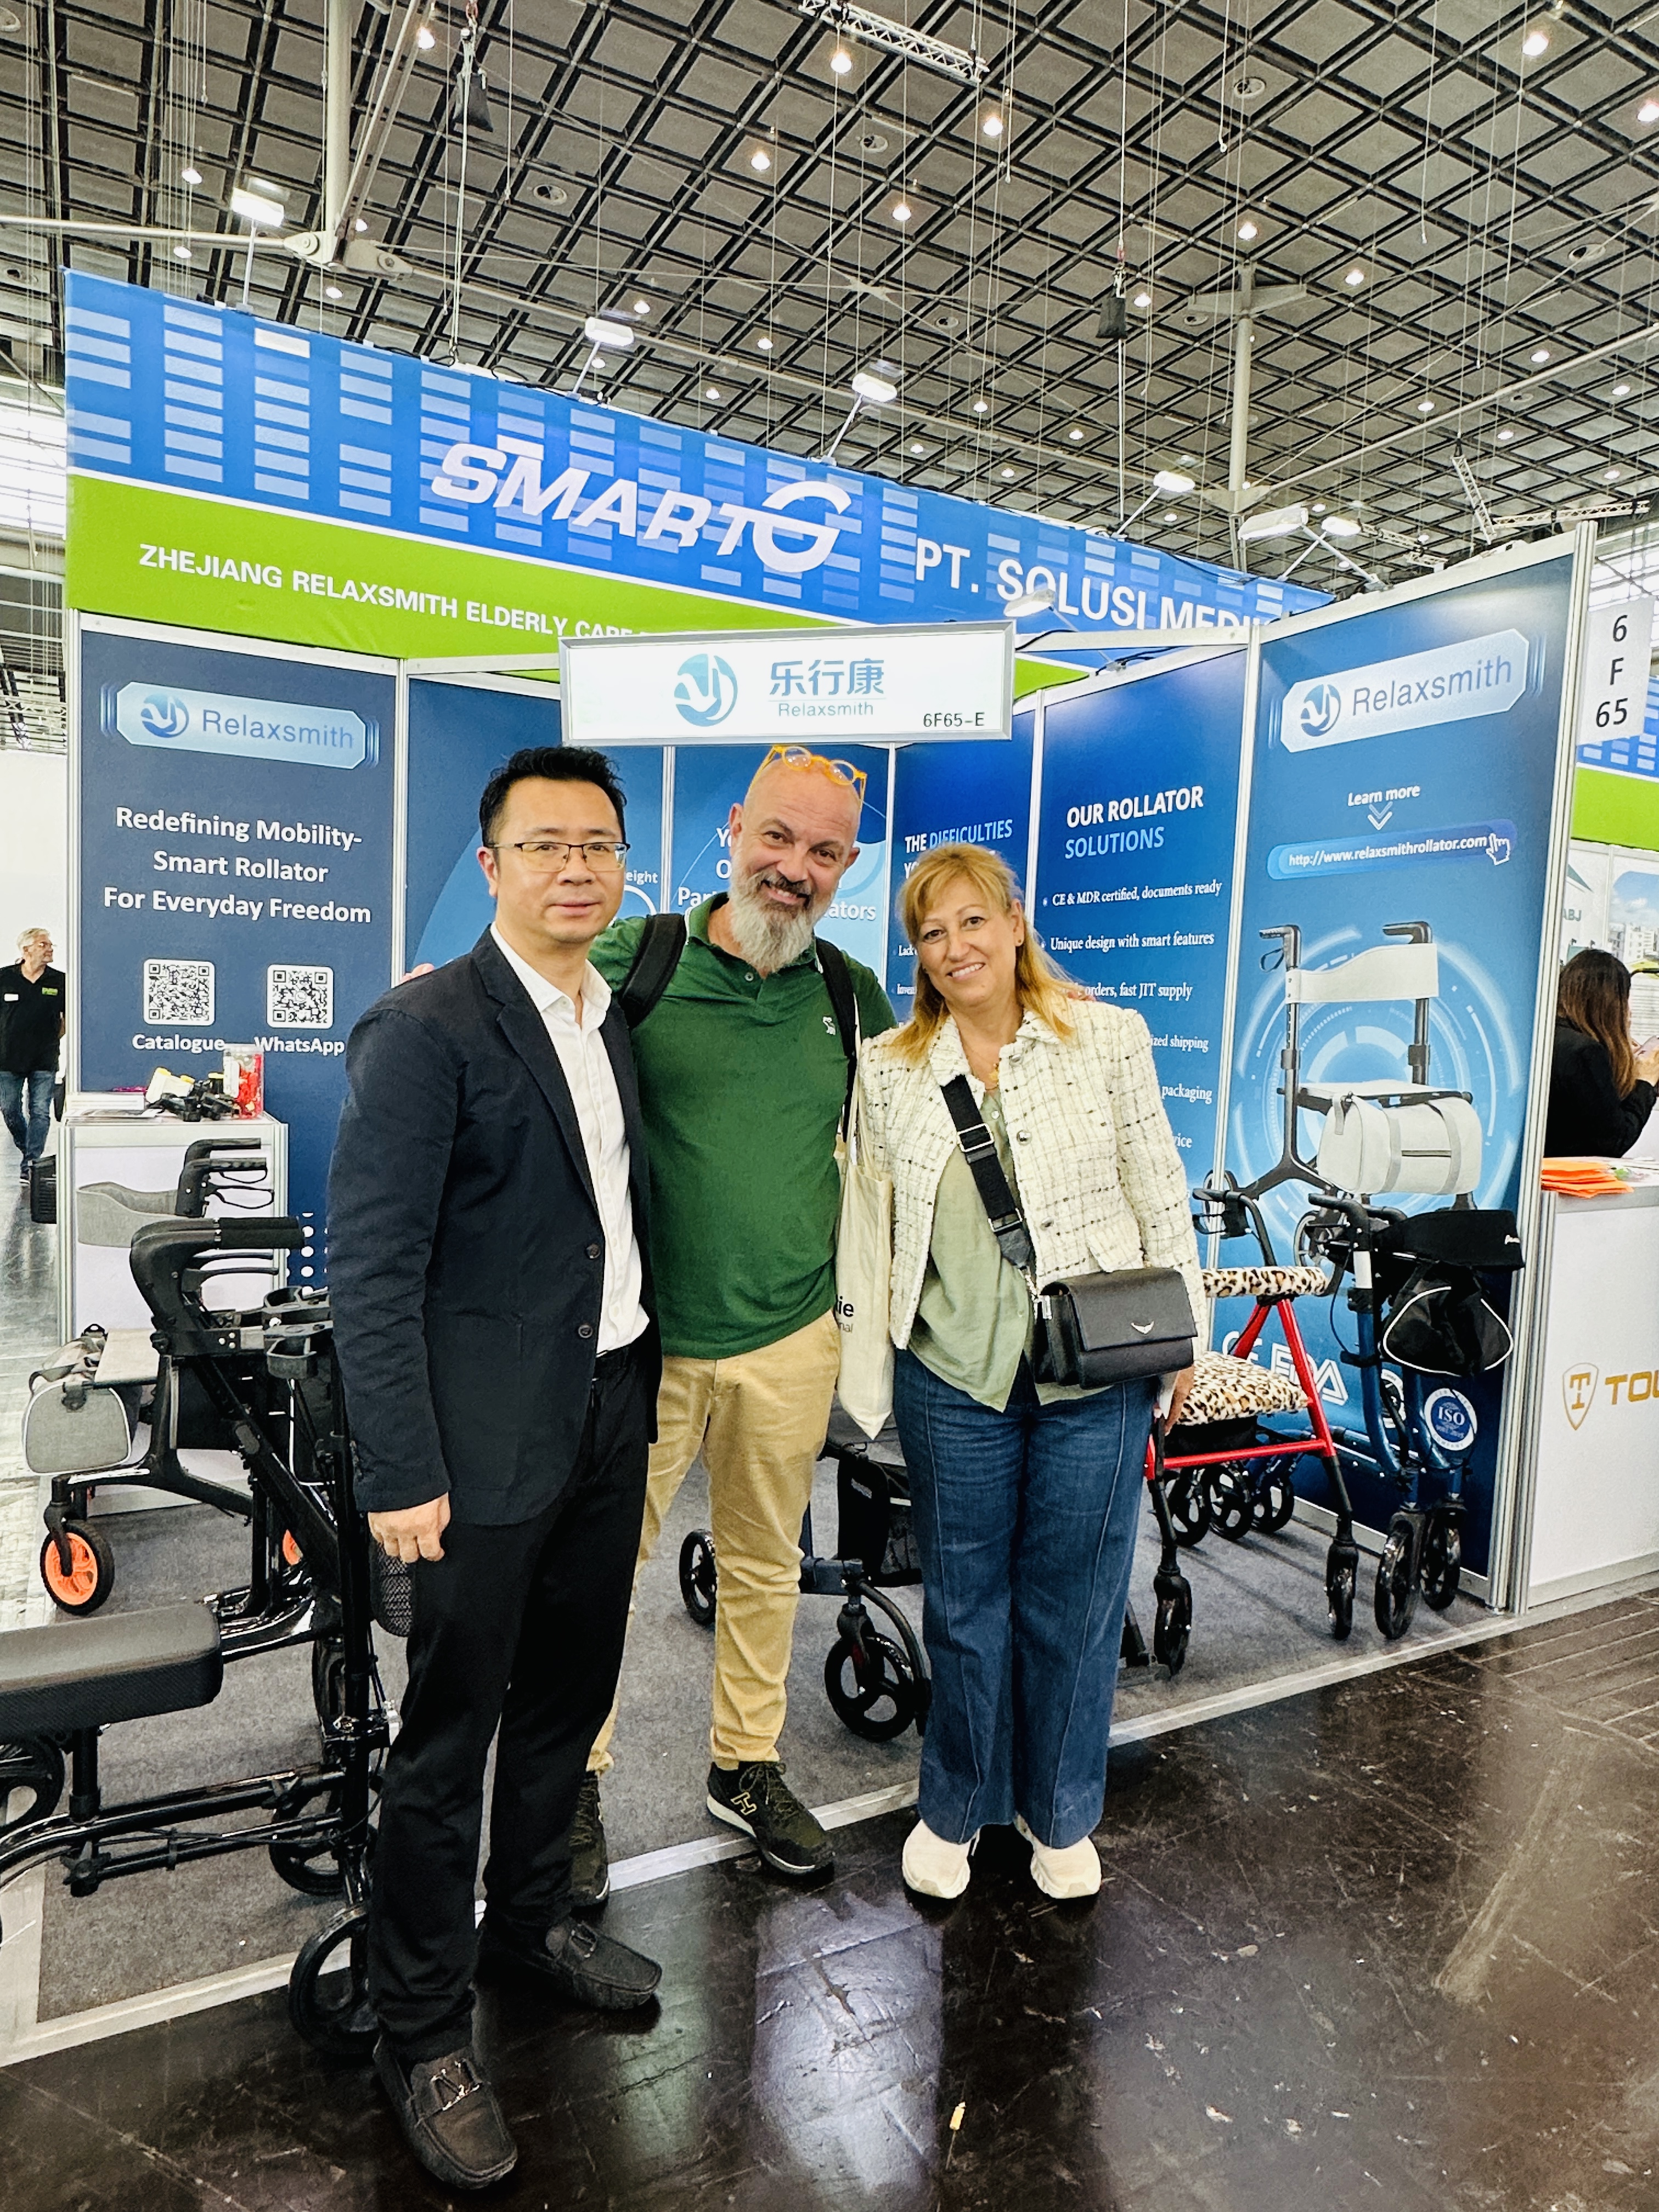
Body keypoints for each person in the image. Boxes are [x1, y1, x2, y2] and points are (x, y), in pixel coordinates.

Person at [328, 744, 663, 2193]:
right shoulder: (426, 1028)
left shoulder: (609, 1015)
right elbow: (372, 1271)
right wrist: (399, 1470)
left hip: (608, 1412)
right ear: (492, 865)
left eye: (597, 845)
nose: (575, 869)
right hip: (470, 1452)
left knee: (569, 1702)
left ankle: (529, 1926)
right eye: (545, 846)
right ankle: (419, 2026)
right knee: (449, 1735)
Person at [574, 744, 894, 1899]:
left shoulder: (850, 995)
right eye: (777, 837)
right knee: (598, 1574)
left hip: (793, 1336)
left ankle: (745, 1766)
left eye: (824, 851)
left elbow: (916, 1119)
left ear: (846, 867)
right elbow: (523, 1030)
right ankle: (572, 1781)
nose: (793, 867)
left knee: (764, 1563)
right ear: (734, 832)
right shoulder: (638, 956)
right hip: (644, 1342)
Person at [856, 844, 1201, 1904]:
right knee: (964, 1603)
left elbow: (1157, 1183)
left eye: (971, 921)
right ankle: (955, 1806)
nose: (953, 947)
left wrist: (1183, 1339)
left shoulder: (1105, 1037)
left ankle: (1057, 1812)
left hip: (1092, 1370)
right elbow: (870, 1214)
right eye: (930, 932)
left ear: (1014, 922)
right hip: (949, 1371)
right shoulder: (889, 1066)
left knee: (1077, 1602)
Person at [1546, 947, 1659, 1158]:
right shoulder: (1585, 1053)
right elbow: (1615, 1141)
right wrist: (1645, 1081)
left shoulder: (1553, 1038)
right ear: (1611, 1003)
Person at [0, 927, 64, 1184]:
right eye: (43, 944)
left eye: (50, 945)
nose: (50, 948)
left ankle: (31, 1163)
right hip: (7, 1059)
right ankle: (28, 1148)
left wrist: (49, 1041)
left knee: (40, 1111)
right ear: (26, 950)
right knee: (10, 1109)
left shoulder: (59, 981)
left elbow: (66, 1021)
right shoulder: (4, 978)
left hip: (44, 1059)